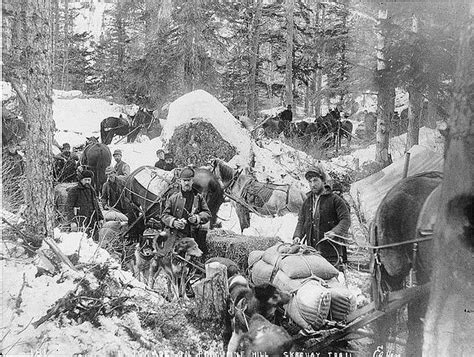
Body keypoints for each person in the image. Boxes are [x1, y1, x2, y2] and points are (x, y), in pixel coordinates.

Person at [293, 167, 350, 268]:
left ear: (323, 181)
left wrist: (335, 232)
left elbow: (345, 219)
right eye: (310, 181)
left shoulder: (335, 200)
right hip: (312, 251)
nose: (312, 184)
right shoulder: (307, 202)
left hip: (331, 253)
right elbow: (301, 221)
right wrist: (297, 236)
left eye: (315, 180)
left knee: (331, 282)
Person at [161, 167, 211, 256]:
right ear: (180, 181)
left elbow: (207, 213)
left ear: (192, 181)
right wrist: (174, 222)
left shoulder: (198, 197)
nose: (187, 183)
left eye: (189, 180)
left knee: (197, 258)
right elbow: (164, 215)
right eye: (184, 180)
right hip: (176, 235)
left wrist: (196, 218)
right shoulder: (173, 198)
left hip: (193, 235)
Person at [65, 170, 103, 240]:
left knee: (95, 241)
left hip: (93, 221)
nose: (87, 182)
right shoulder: (74, 191)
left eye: (89, 180)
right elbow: (68, 207)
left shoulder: (92, 190)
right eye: (85, 180)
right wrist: (72, 222)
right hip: (81, 222)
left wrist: (100, 218)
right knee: (82, 242)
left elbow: (96, 205)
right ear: (81, 180)